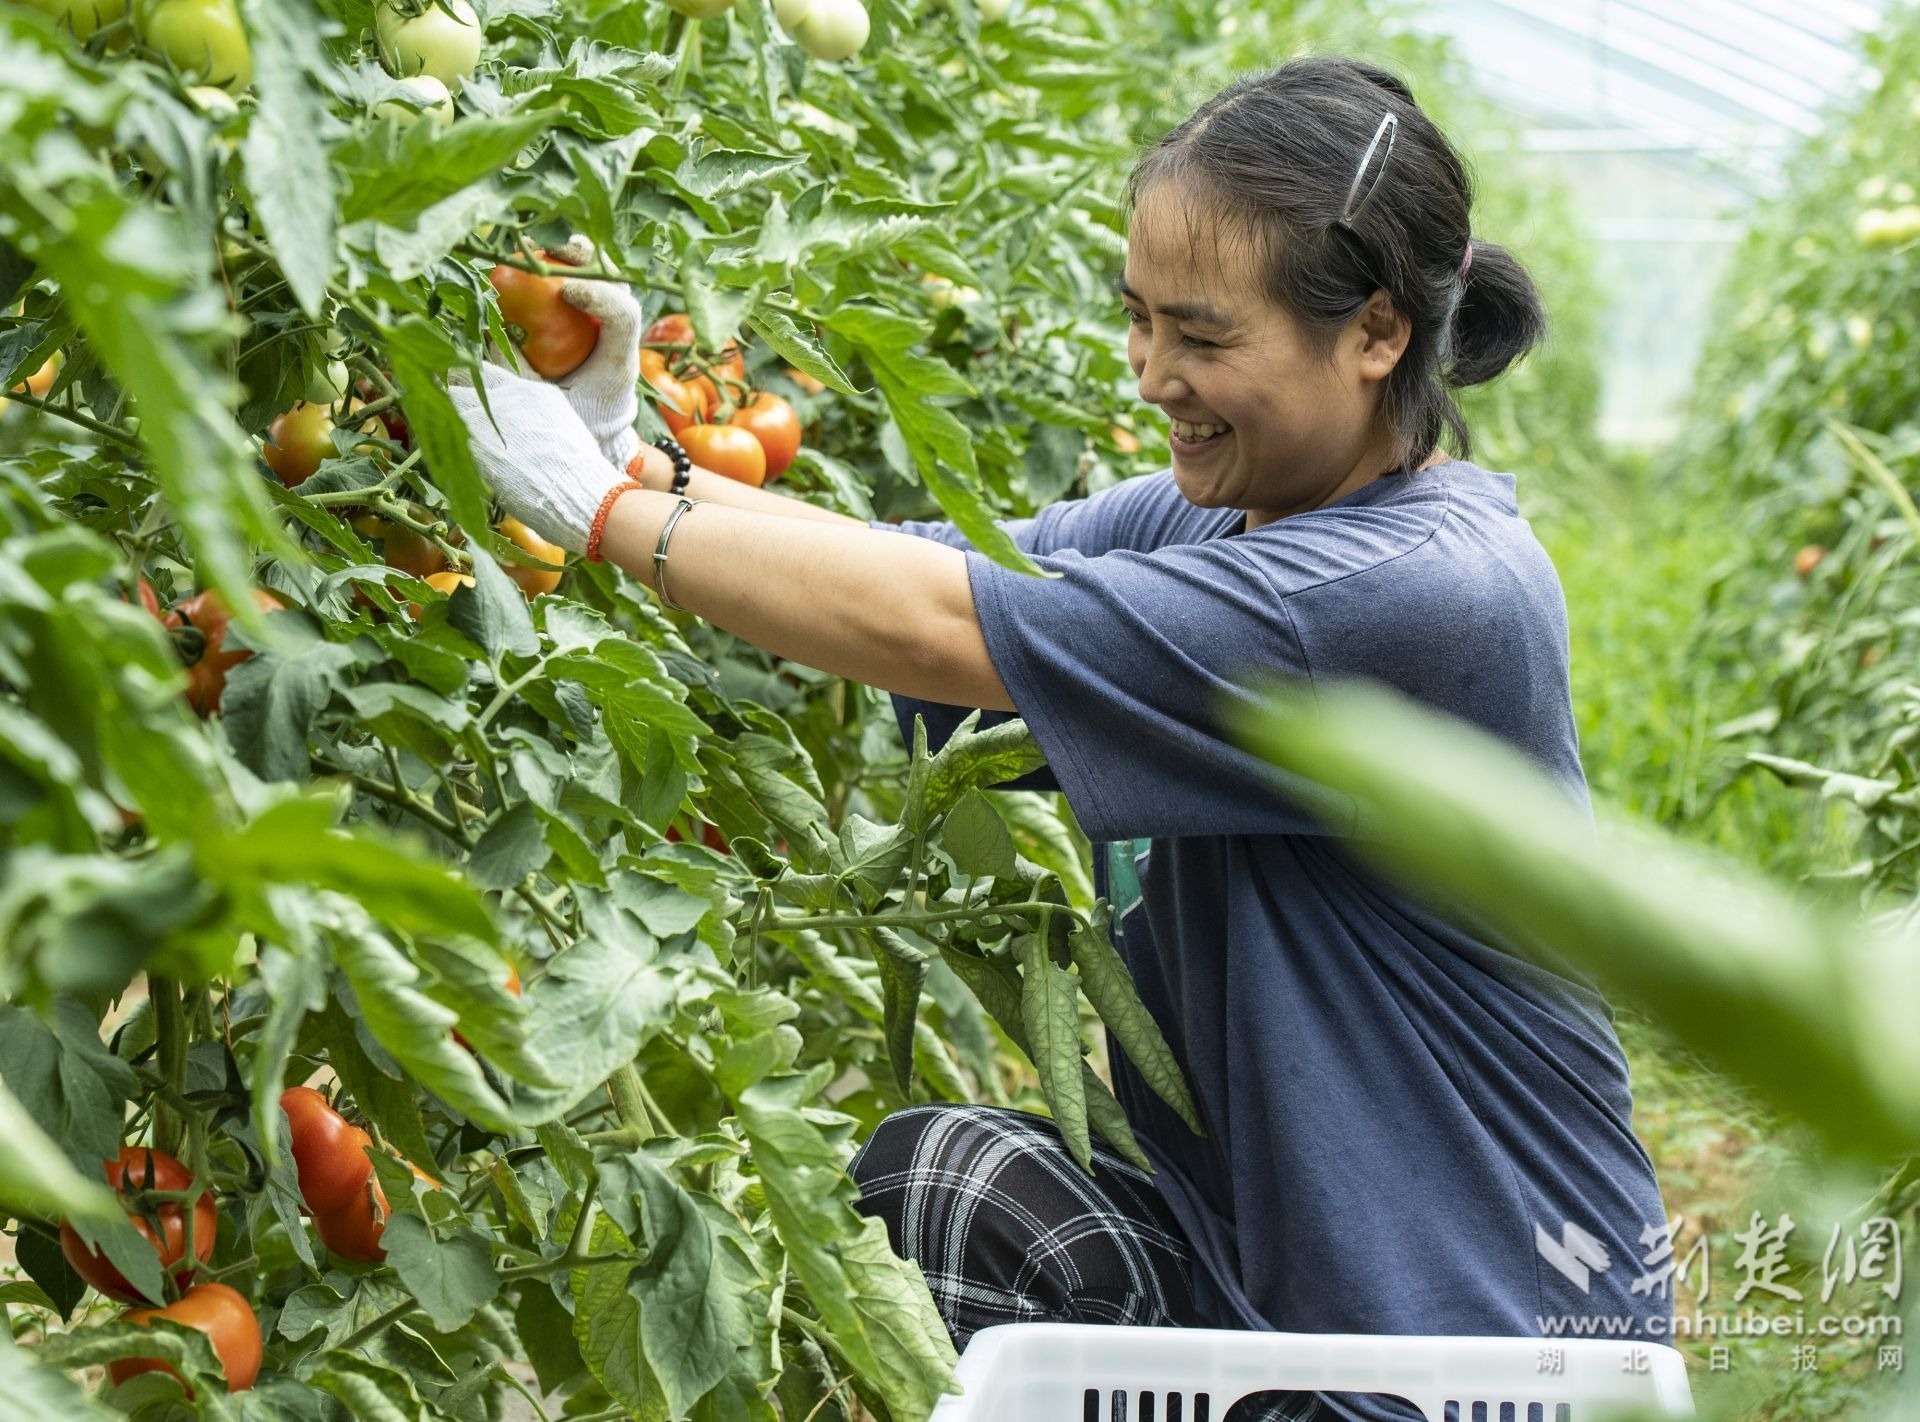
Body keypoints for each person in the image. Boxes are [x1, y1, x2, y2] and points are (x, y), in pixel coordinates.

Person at [449, 53, 1672, 1422]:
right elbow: (927, 565)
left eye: (1203, 338)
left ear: (1378, 332)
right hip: (1275, 1272)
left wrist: (602, 518)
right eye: (1139, 321)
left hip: (1470, 1346)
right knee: (940, 1182)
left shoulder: (1409, 591)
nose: (1155, 375)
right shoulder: (1243, 512)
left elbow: (941, 633)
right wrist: (637, 464)